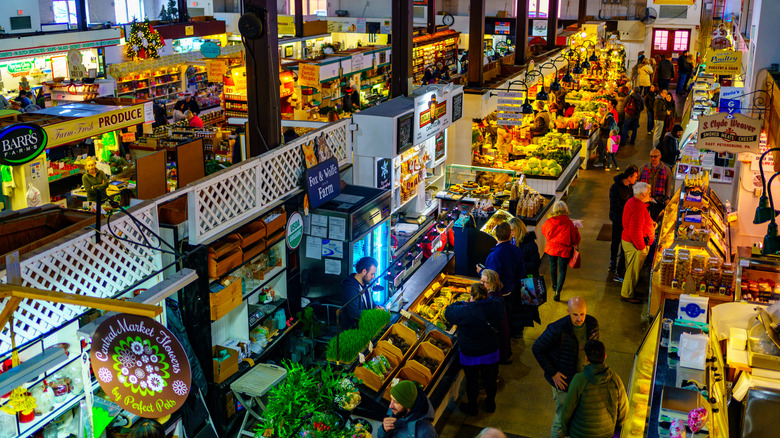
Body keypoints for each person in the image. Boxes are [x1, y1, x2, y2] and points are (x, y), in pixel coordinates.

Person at [532, 297, 599, 438]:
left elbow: (594, 348)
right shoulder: (557, 328)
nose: (579, 318)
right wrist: (553, 373)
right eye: (575, 314)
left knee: (578, 415)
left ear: (586, 310)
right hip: (564, 382)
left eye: (582, 314)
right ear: (568, 311)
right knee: (562, 418)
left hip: (584, 380)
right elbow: (537, 348)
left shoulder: (592, 324)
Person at [444, 283, 504, 416]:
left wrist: (460, 302)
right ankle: (490, 403)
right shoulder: (496, 305)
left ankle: (472, 407)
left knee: (472, 380)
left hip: (470, 353)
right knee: (490, 378)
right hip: (490, 351)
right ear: (486, 293)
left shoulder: (464, 311)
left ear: (471, 296)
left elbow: (447, 312)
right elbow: (498, 303)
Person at [561, 340, 628, 438]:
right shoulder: (615, 379)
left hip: (580, 434)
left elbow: (567, 409)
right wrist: (617, 427)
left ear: (586, 358)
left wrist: (565, 430)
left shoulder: (579, 380)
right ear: (605, 356)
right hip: (607, 433)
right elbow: (624, 409)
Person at [620, 182, 655, 304]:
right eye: (648, 193)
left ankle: (631, 290)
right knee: (632, 271)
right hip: (635, 245)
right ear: (642, 194)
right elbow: (635, 231)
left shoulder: (633, 202)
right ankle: (627, 294)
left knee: (632, 269)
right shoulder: (638, 208)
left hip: (629, 241)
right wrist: (642, 248)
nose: (650, 195)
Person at [508, 217, 541, 338]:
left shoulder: (530, 245)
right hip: (516, 280)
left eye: (513, 230)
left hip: (526, 281)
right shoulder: (513, 242)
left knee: (523, 308)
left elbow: (535, 263)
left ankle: (518, 330)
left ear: (519, 229)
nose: (511, 232)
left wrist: (519, 266)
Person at [541, 201, 581, 302]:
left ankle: (554, 285)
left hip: (552, 248)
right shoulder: (569, 223)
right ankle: (558, 291)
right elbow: (574, 239)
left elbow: (544, 231)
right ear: (565, 210)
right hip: (564, 250)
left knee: (553, 267)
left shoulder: (549, 221)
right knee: (562, 270)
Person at [609, 166, 639, 281]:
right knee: (616, 240)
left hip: (626, 220)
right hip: (617, 219)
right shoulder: (615, 188)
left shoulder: (630, 187)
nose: (636, 179)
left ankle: (620, 263)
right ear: (629, 177)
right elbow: (614, 206)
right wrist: (628, 211)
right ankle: (613, 262)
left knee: (623, 242)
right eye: (635, 177)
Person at [479, 268, 512, 364]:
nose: (482, 284)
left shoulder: (492, 299)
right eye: (481, 281)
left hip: (498, 330)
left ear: (492, 283)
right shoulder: (496, 291)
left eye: (485, 282)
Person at [340, 256, 378, 329]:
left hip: (367, 323)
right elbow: (353, 313)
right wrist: (373, 313)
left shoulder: (366, 284)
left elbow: (370, 304)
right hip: (355, 329)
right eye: (372, 274)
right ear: (364, 271)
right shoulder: (350, 288)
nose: (373, 276)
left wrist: (376, 307)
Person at [638, 149, 674, 219]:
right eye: (651, 156)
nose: (653, 158)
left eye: (655, 156)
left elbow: (668, 185)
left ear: (660, 156)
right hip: (646, 200)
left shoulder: (666, 170)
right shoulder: (643, 168)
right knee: (643, 218)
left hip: (659, 200)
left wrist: (667, 198)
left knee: (656, 219)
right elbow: (638, 184)